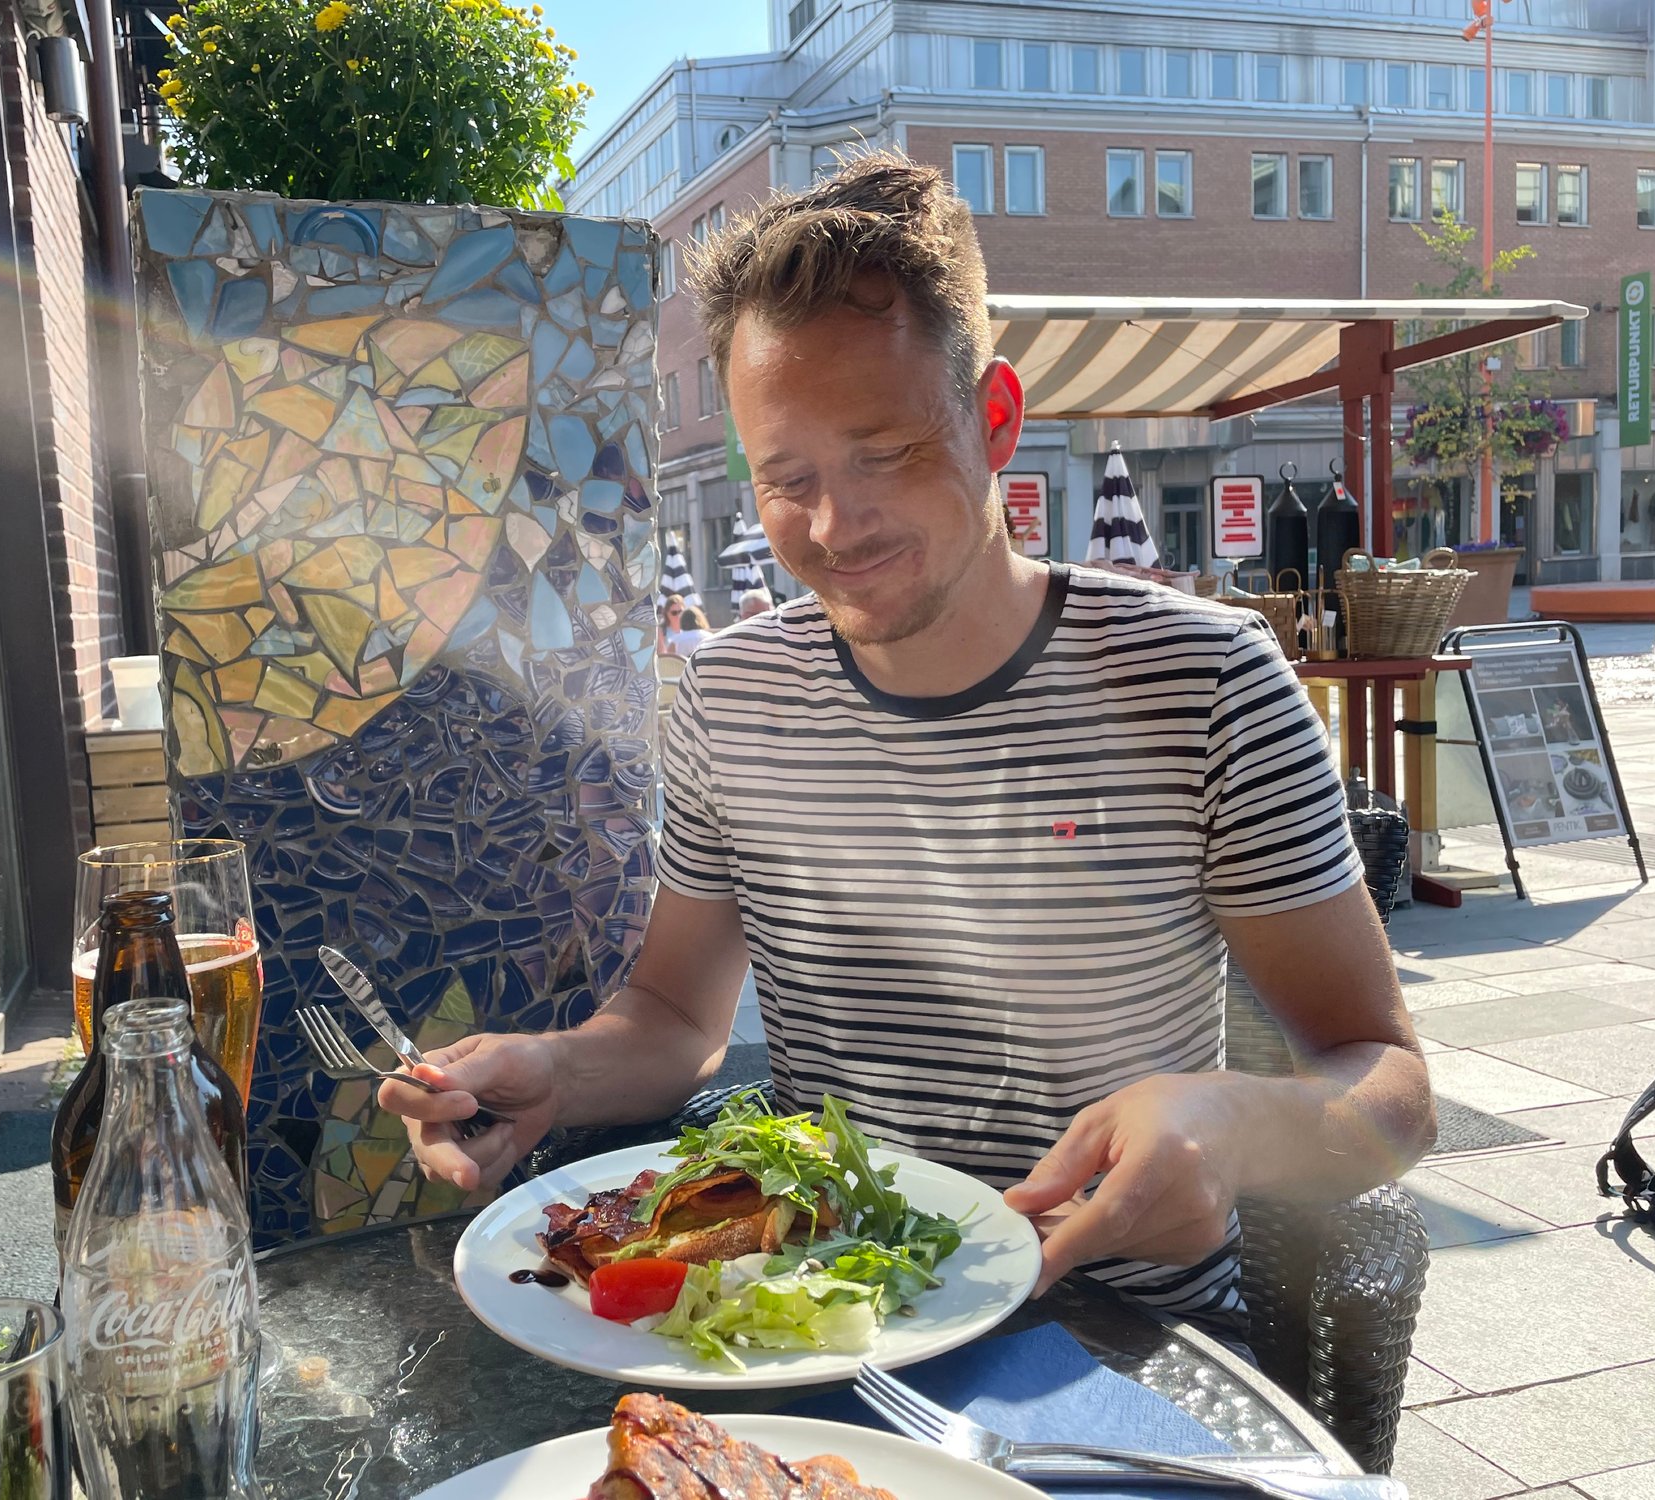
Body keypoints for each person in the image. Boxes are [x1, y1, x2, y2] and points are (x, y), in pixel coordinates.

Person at [382, 151, 1432, 1333]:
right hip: (825, 1322)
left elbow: (1388, 1087)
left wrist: (1231, 1125)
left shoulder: (1204, 680)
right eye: (786, 478)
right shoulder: (730, 693)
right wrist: (552, 1072)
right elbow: (675, 1018)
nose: (835, 526)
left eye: (883, 454)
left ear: (994, 418)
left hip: (1111, 1334)